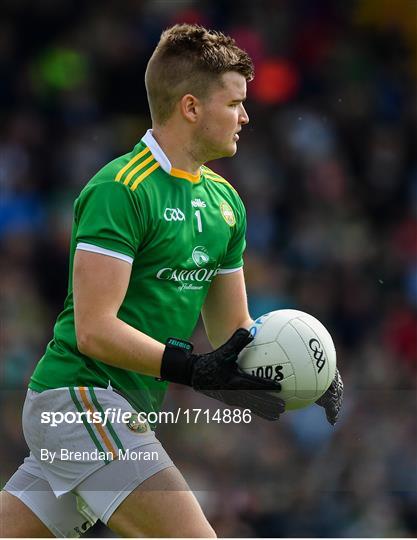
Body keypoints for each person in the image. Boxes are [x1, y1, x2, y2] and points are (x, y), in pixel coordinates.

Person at [0, 24, 343, 538]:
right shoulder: (120, 188)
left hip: (125, 408)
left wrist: (305, 378)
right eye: (233, 104)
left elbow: (234, 337)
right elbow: (94, 329)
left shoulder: (227, 205)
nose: (245, 116)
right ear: (190, 107)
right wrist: (187, 367)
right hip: (80, 400)